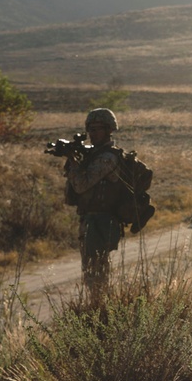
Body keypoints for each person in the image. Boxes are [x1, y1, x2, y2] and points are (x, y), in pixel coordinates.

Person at [64, 107, 125, 293]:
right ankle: (97, 309)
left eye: (97, 129)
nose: (92, 133)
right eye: (90, 129)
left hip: (101, 223)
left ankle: (100, 312)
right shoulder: (94, 154)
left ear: (109, 130)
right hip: (89, 221)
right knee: (91, 272)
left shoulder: (107, 158)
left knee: (97, 275)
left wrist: (73, 163)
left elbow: (82, 185)